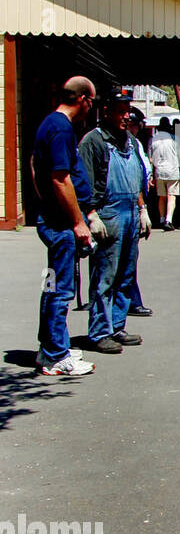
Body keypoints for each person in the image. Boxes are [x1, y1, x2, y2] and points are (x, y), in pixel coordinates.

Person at [31, 76, 98, 376]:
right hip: (61, 226)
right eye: (91, 101)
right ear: (82, 99)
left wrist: (43, 200)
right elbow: (61, 178)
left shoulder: (49, 124)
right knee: (61, 289)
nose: (90, 107)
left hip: (51, 218)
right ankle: (57, 356)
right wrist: (77, 221)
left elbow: (35, 166)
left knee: (51, 284)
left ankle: (50, 347)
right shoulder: (61, 129)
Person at [78, 91, 151, 354]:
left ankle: (117, 325)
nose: (126, 116)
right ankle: (99, 331)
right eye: (120, 111)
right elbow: (83, 182)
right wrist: (90, 215)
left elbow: (138, 177)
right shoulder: (93, 142)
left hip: (131, 211)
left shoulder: (130, 140)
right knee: (105, 277)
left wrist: (142, 209)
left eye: (127, 110)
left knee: (125, 275)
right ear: (106, 112)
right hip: (108, 213)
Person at [125, 109, 153, 317]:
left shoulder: (134, 143)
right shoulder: (123, 144)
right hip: (124, 207)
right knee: (123, 260)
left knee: (129, 259)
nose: (135, 128)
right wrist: (142, 207)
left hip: (134, 205)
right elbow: (131, 179)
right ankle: (131, 302)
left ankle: (131, 301)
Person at [149, 116, 180, 230]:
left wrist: (152, 175)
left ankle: (161, 219)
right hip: (172, 171)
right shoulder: (174, 139)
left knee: (161, 197)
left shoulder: (153, 140)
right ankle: (168, 220)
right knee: (171, 196)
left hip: (159, 172)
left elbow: (151, 159)